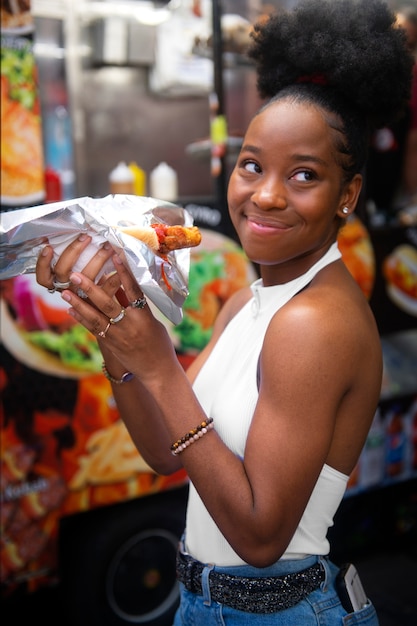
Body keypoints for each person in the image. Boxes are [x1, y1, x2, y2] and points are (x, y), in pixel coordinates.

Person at [35, 0, 413, 623]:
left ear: (348, 194)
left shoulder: (315, 324)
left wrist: (158, 366)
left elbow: (261, 540)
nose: (265, 194)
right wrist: (113, 327)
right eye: (253, 165)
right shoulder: (247, 301)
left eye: (304, 175)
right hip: (201, 604)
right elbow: (163, 450)